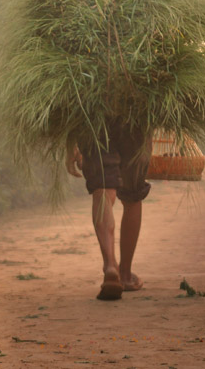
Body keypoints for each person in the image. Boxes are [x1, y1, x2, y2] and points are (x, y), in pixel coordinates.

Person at [66, 121, 151, 300]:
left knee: (103, 188)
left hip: (93, 118)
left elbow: (68, 100)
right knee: (132, 196)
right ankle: (126, 274)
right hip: (135, 118)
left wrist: (70, 143)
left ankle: (110, 265)